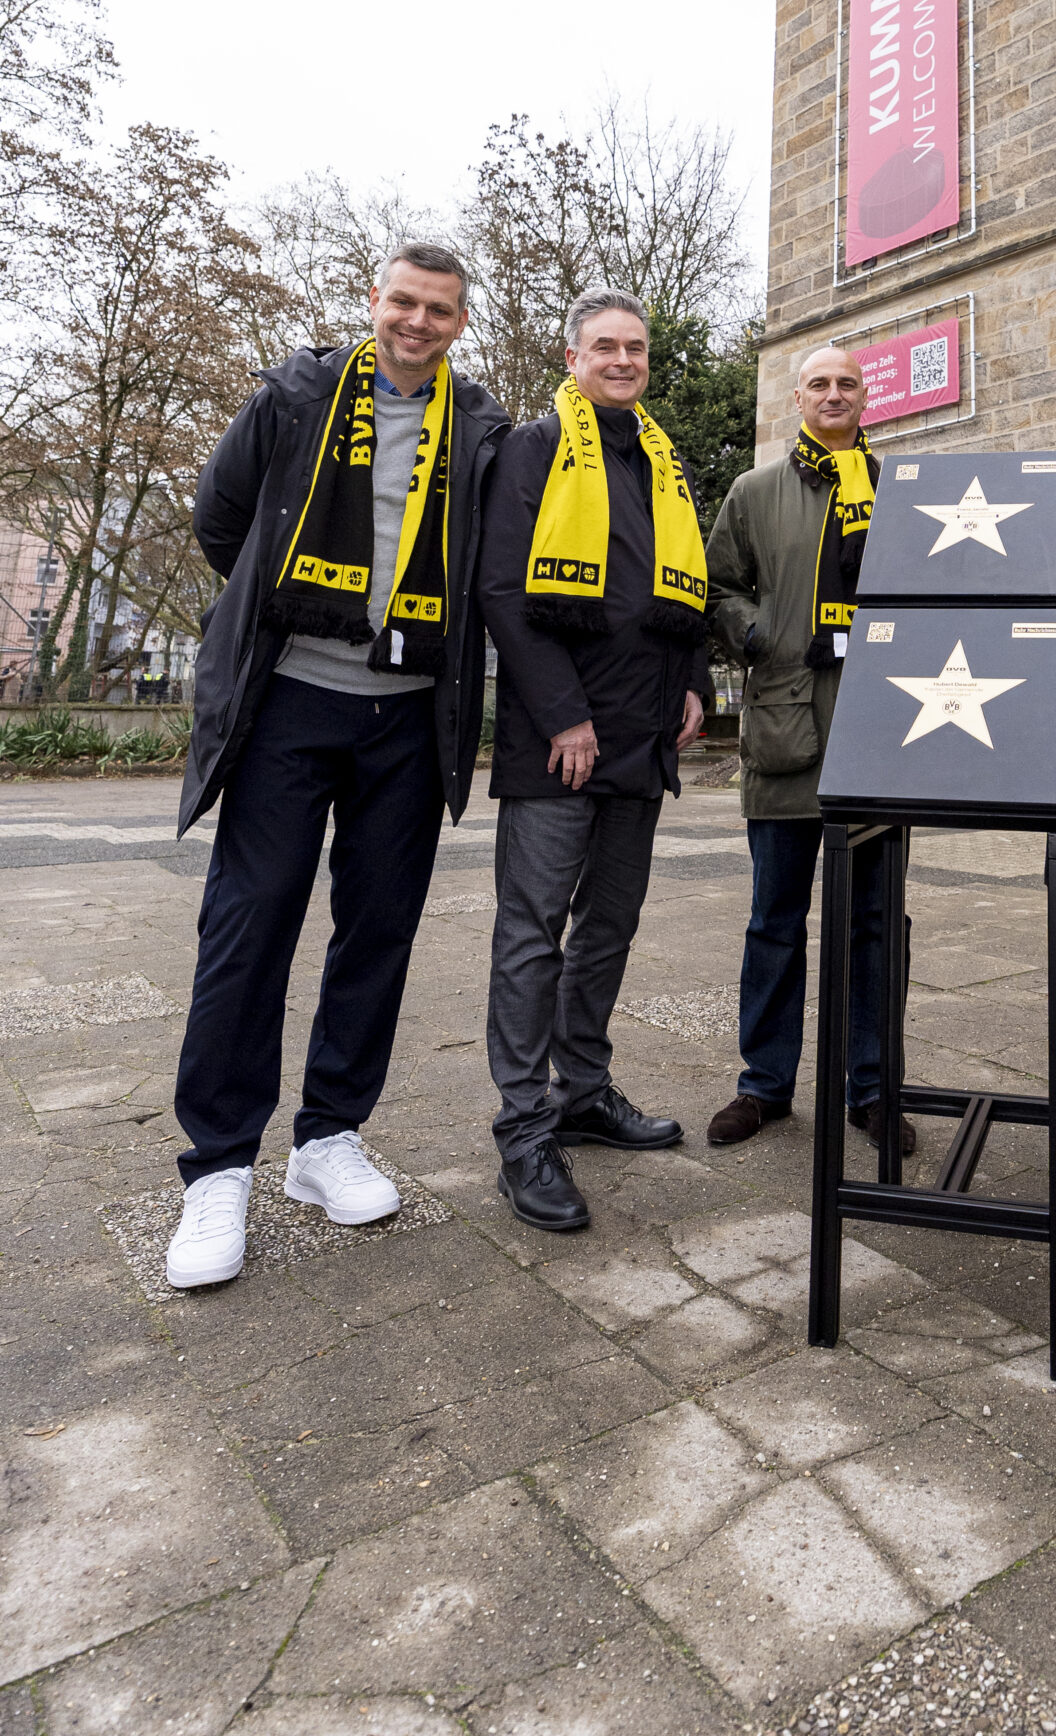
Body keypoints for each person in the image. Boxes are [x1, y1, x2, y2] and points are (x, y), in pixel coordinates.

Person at [165, 245, 509, 1290]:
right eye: (403, 301)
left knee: (379, 929)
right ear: (374, 301)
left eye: (439, 309)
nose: (417, 322)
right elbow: (222, 520)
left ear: (460, 322)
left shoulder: (481, 426)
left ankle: (328, 1137)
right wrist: (299, 603)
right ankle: (219, 1164)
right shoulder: (295, 395)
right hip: (292, 700)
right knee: (250, 920)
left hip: (410, 712)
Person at [478, 288, 711, 1233]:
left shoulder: (663, 460)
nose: (622, 360)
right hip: (557, 743)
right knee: (532, 933)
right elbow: (503, 589)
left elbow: (682, 590)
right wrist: (565, 717)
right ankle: (523, 1128)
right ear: (571, 358)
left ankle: (582, 1090)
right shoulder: (534, 448)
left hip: (642, 735)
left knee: (608, 925)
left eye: (635, 348)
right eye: (604, 346)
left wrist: (693, 681)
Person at [702, 342, 911, 1154]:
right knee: (774, 923)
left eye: (846, 383)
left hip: (880, 731)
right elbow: (718, 585)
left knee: (874, 924)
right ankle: (764, 1086)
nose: (832, 394)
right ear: (798, 399)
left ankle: (873, 1088)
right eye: (818, 383)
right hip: (787, 729)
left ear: (866, 398)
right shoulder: (754, 493)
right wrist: (761, 633)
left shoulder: (899, 491)